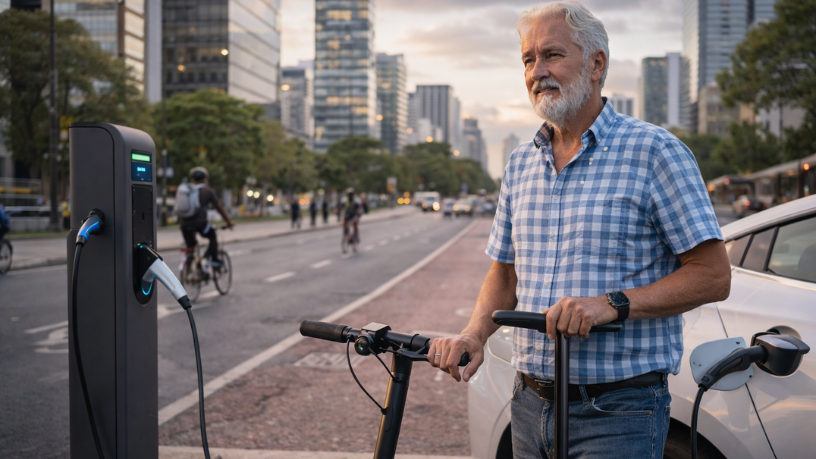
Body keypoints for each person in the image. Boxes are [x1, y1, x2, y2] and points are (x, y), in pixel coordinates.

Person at [427, 2, 731, 458]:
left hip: (620, 410)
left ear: (596, 63)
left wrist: (611, 305)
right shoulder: (520, 163)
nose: (537, 71)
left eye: (552, 55)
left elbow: (713, 275)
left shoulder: (655, 151)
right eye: (528, 60)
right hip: (528, 404)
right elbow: (505, 273)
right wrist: (474, 334)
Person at [179, 167, 234, 271]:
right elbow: (220, 209)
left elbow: (181, 209)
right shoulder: (208, 191)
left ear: (193, 179)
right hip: (200, 224)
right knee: (212, 235)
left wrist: (180, 223)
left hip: (184, 224)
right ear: (204, 179)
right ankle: (213, 260)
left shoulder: (186, 191)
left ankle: (187, 271)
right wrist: (229, 222)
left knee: (191, 246)